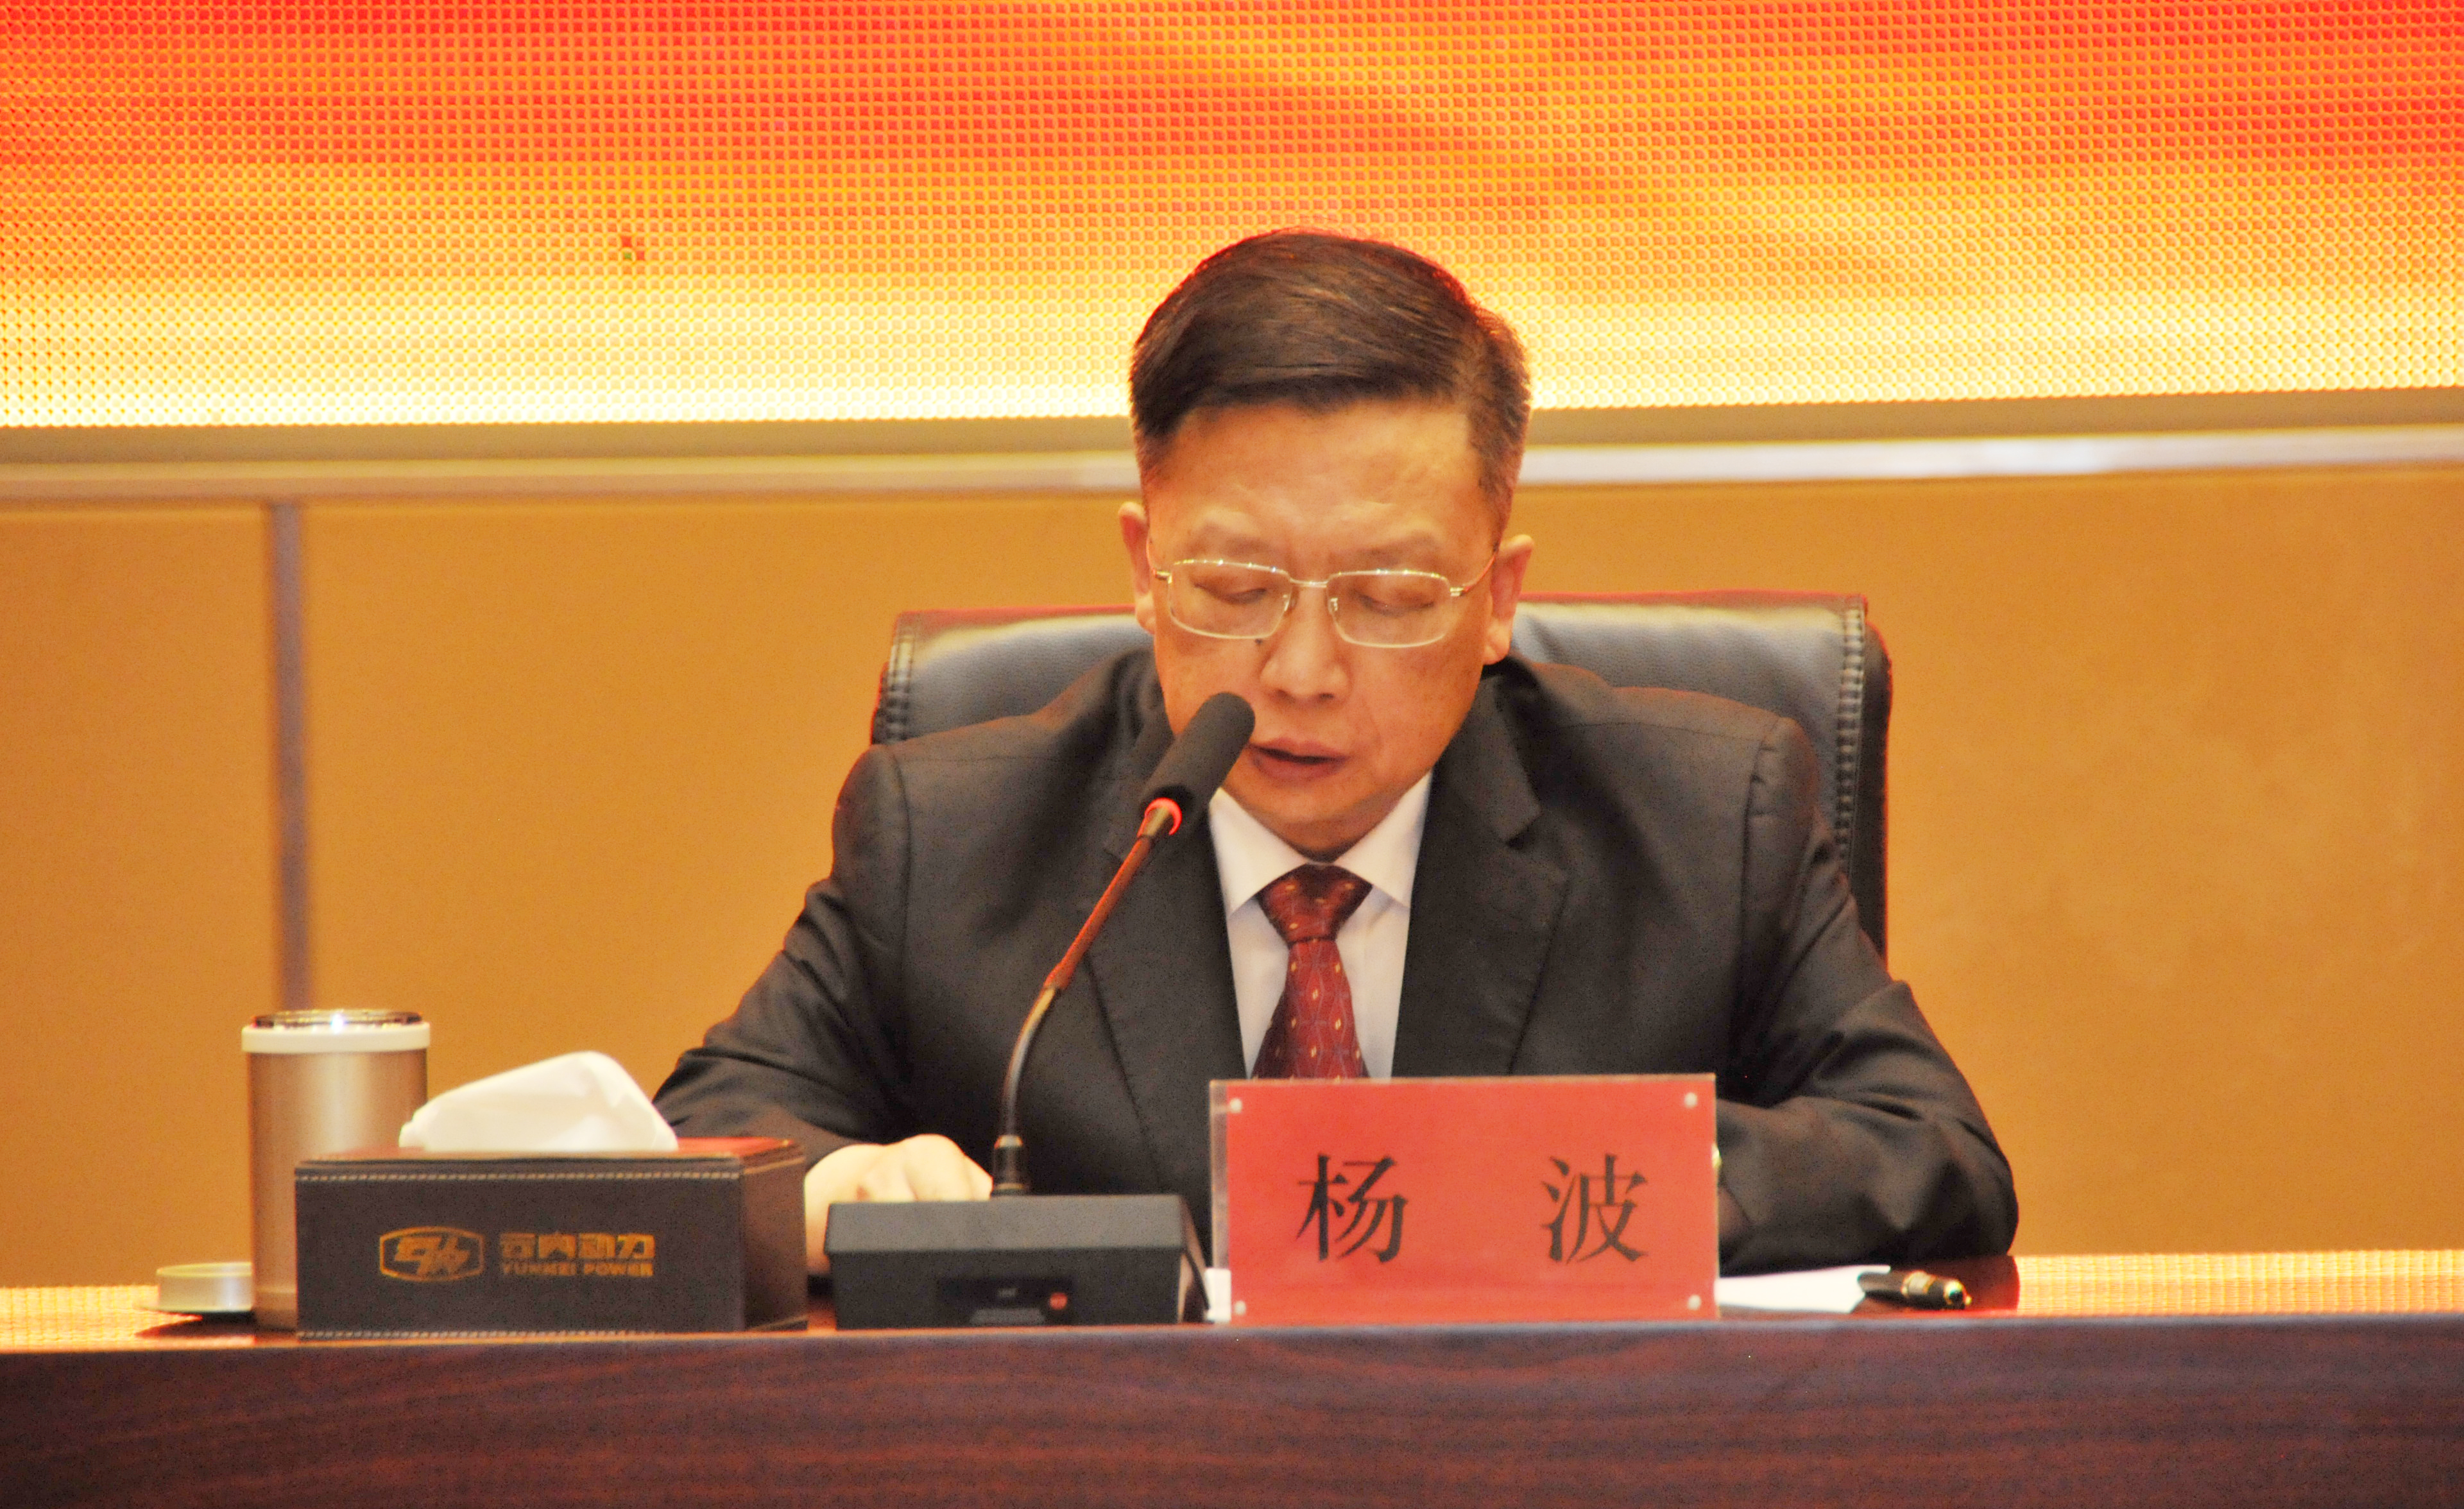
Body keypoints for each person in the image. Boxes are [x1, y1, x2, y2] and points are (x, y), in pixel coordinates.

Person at [654, 230, 2017, 1275]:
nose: (1300, 671)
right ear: (1143, 569)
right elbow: (700, 1148)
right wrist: (834, 1194)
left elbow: (1931, 1152)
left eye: (1389, 597)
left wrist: (1560, 1180)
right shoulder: (948, 836)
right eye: (1234, 589)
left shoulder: (1708, 818)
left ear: (1497, 597)